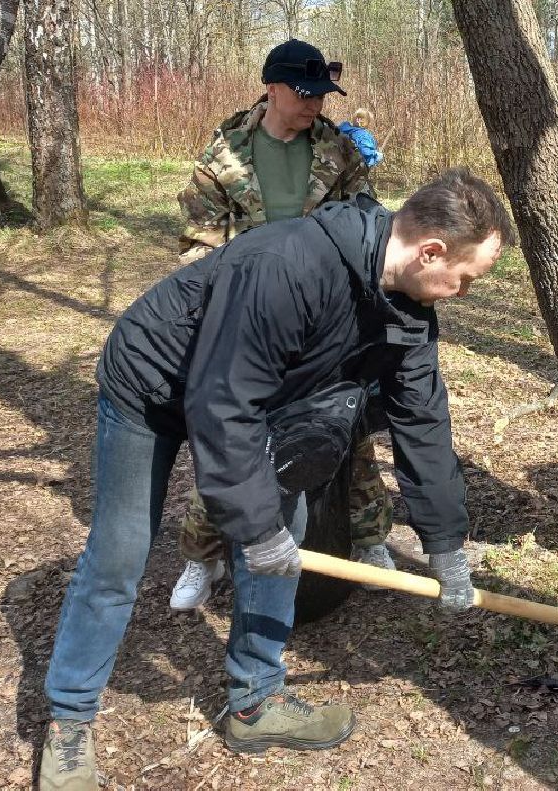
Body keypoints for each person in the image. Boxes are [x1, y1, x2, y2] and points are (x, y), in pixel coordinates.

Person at [38, 169, 515, 789]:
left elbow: (422, 420)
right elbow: (221, 402)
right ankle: (70, 724)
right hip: (155, 386)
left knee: (281, 541)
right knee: (120, 555)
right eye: (467, 278)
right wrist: (252, 524)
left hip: (263, 397)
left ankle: (255, 704)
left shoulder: (409, 310)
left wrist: (445, 544)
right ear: (431, 252)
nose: (464, 292)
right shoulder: (287, 265)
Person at [170, 39, 396, 612]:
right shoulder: (224, 156)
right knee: (230, 438)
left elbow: (364, 227)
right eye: (304, 94)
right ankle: (204, 555)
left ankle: (369, 540)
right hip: (246, 319)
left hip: (323, 318)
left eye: (322, 95)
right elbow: (197, 240)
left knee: (348, 427)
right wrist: (228, 301)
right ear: (271, 88)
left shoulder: (338, 151)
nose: (314, 105)